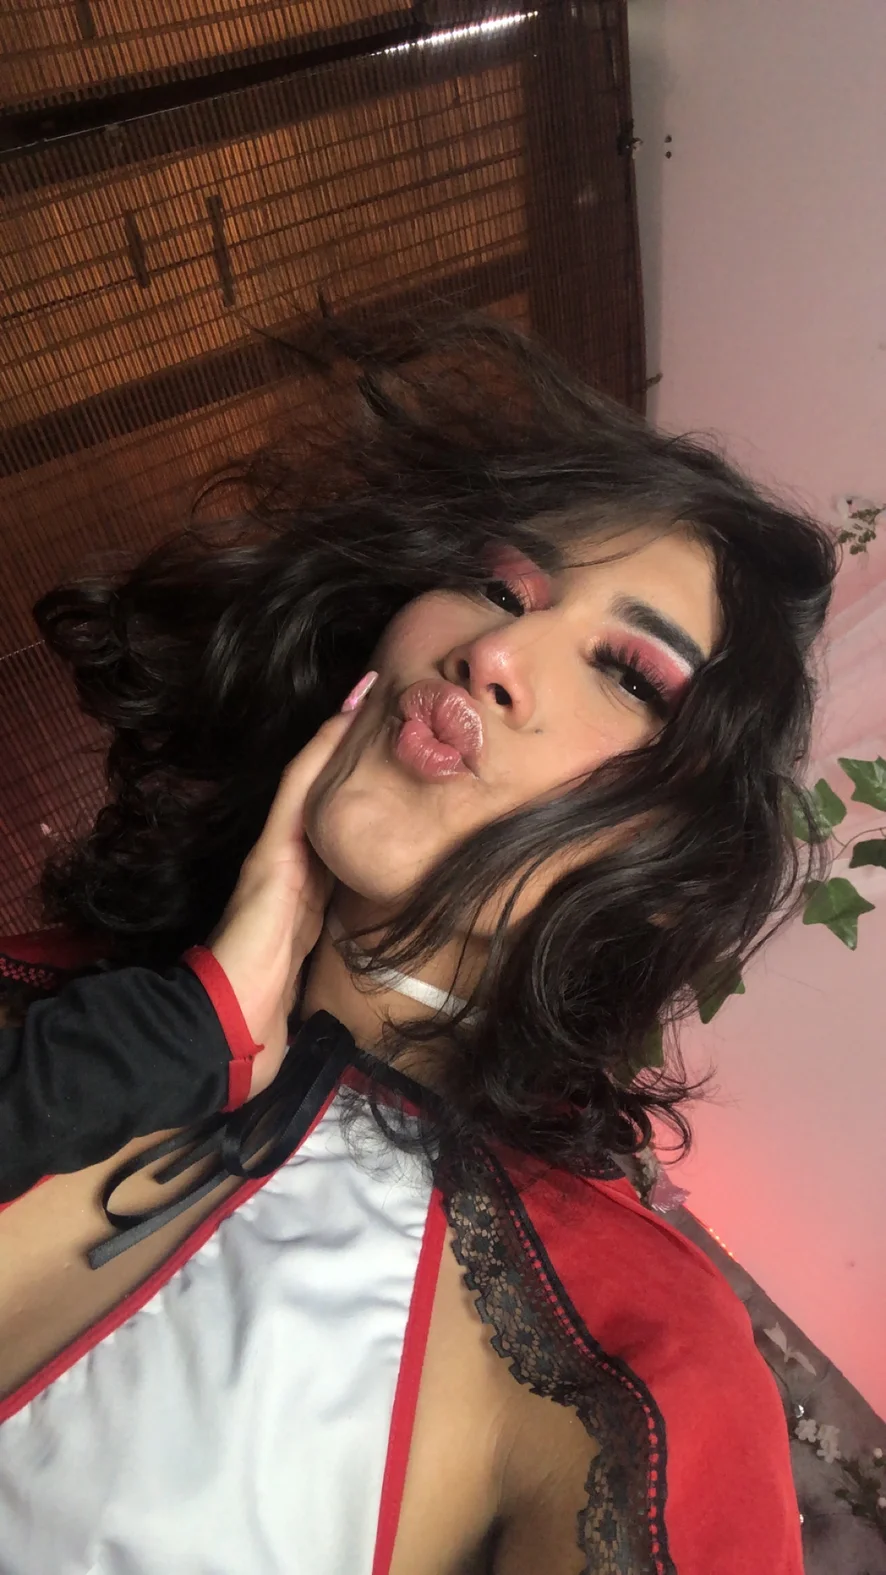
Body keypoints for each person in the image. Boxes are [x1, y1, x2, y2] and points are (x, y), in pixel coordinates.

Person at [0, 309, 836, 1574]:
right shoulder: (68, 994)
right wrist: (175, 1036)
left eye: (627, 675)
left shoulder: (634, 1360)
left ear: (671, 867)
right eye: (499, 587)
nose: (491, 652)